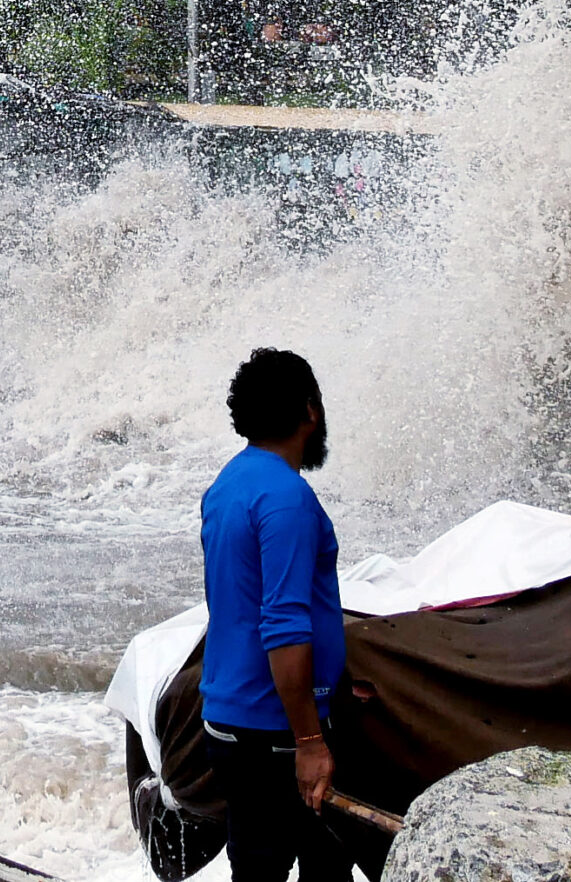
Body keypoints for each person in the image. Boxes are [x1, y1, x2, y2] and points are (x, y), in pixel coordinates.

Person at [200, 348, 349, 882]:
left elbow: (239, 601)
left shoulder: (229, 484)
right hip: (275, 733)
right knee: (321, 869)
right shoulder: (286, 498)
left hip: (232, 720)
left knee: (261, 869)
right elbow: (283, 626)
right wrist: (309, 741)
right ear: (310, 411)